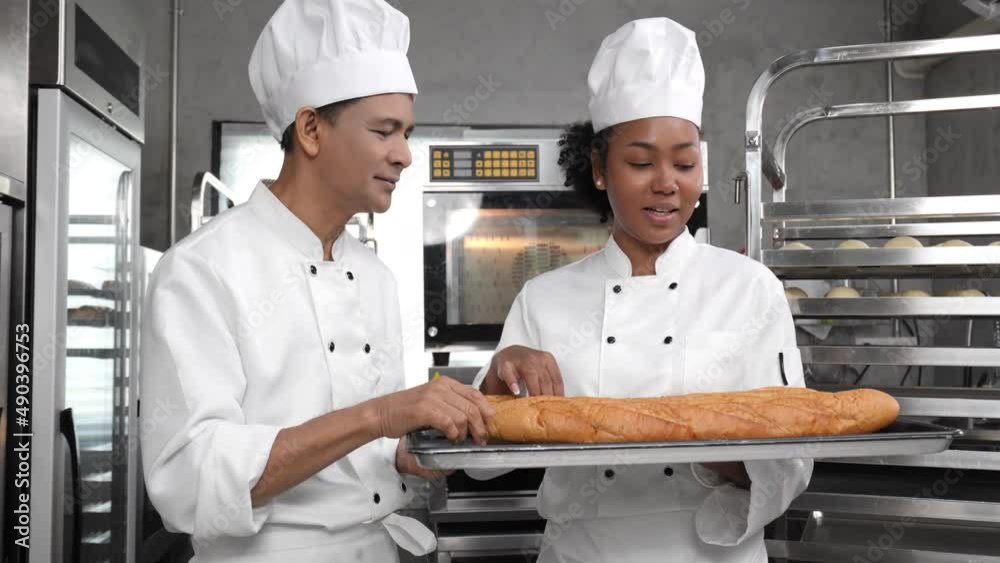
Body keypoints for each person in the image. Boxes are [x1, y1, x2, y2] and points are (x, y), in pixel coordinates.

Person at [139, 1, 494, 561]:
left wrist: (412, 453)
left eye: (406, 133)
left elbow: (370, 458)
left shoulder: (375, 275)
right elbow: (189, 480)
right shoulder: (202, 269)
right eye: (384, 131)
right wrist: (380, 416)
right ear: (310, 129)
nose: (403, 155)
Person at [472, 18, 813, 563]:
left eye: (684, 162)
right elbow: (479, 458)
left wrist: (703, 446)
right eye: (640, 162)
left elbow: (793, 457)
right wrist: (497, 377)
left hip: (710, 553)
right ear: (601, 170)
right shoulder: (544, 298)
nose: (666, 183)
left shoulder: (749, 289)